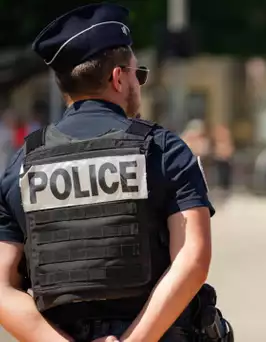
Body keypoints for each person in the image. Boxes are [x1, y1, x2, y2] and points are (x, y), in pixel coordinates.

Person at [0, 4, 232, 342]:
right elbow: (192, 259)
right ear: (119, 77)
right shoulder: (163, 150)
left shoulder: (22, 163)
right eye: (138, 75)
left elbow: (3, 288)